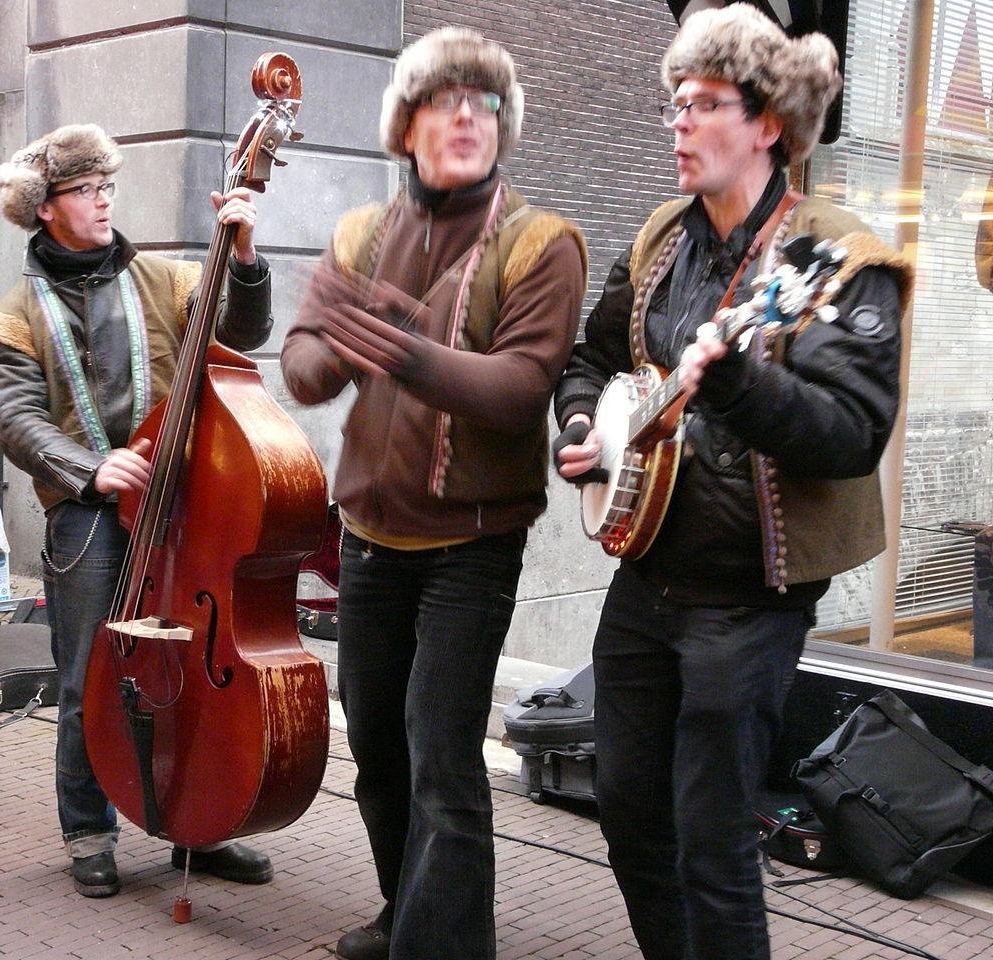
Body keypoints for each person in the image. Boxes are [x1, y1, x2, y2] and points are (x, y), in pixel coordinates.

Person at [552, 6, 913, 959]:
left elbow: (851, 434)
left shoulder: (837, 256)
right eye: (674, 102)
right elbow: (588, 361)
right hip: (645, 576)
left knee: (712, 839)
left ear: (768, 124)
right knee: (627, 810)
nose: (677, 120)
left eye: (704, 103)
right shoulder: (662, 240)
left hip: (751, 595)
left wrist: (743, 384)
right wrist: (588, 427)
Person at [281, 28, 587, 960]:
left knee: (442, 758)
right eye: (444, 101)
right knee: (377, 746)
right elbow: (300, 367)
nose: (466, 116)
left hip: (472, 544)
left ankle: (444, 945)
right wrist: (340, 341)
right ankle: (403, 914)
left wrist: (402, 349)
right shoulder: (362, 234)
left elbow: (522, 387)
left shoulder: (543, 243)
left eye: (485, 103)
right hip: (369, 535)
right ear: (403, 127)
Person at [0, 124, 276, 899]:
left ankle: (199, 824)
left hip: (181, 501)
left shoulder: (167, 280)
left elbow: (245, 333)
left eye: (107, 185)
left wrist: (242, 257)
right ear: (46, 208)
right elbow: (15, 418)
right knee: (92, 674)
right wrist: (92, 468)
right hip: (88, 512)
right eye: (84, 189)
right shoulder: (14, 313)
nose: (104, 198)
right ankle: (88, 829)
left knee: (192, 664)